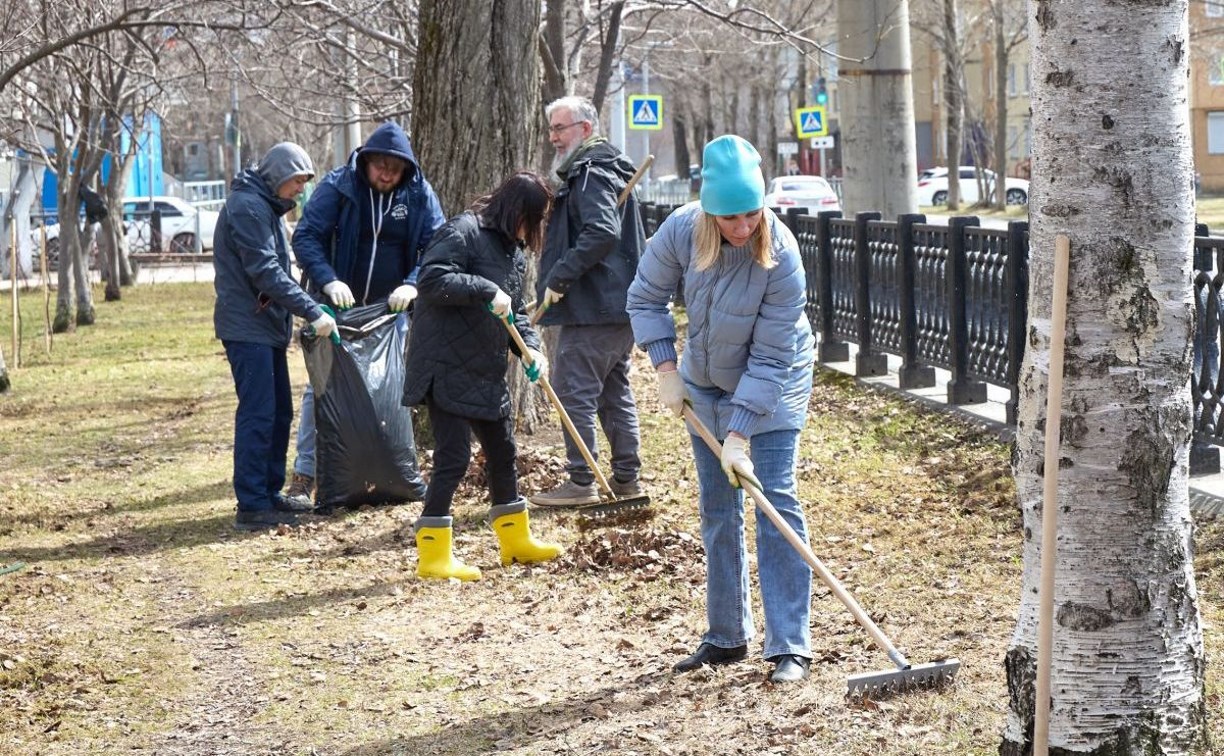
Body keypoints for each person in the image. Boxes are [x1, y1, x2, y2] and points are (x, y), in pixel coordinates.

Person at [626, 135, 816, 684]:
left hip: (774, 381)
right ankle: (726, 634)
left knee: (774, 498)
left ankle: (789, 646)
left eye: (752, 213)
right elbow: (644, 298)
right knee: (717, 504)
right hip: (704, 381)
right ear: (709, 210)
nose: (743, 227)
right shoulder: (682, 231)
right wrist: (665, 369)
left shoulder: (780, 254)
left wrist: (740, 435)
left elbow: (773, 353)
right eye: (730, 217)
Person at [402, 172, 563, 581]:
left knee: (504, 453)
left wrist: (533, 351)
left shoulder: (514, 252)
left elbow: (516, 315)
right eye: (534, 217)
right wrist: (484, 289)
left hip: (485, 369)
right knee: (454, 458)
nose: (536, 228)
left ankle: (515, 543)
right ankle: (433, 557)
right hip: (445, 365)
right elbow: (433, 279)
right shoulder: (464, 231)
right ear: (517, 211)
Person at [288, 121, 446, 506]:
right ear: (366, 162)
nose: (387, 175)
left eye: (395, 169)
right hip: (338, 309)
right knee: (321, 388)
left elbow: (437, 245)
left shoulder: (418, 194)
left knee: (388, 387)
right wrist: (327, 280)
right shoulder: (339, 187)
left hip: (390, 313)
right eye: (380, 167)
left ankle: (385, 470)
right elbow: (306, 236)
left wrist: (413, 282)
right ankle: (305, 474)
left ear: (406, 168)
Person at [213, 143, 335, 532]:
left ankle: (268, 493)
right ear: (279, 175)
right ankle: (251, 503)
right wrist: (311, 309)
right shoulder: (248, 207)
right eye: (297, 181)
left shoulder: (264, 207)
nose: (300, 189)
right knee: (259, 413)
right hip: (247, 328)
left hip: (264, 327)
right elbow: (265, 271)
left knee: (279, 410)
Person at [531, 95, 645, 508]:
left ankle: (582, 481)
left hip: (596, 306)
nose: (553, 138)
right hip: (614, 305)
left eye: (560, 128)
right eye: (552, 130)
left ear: (585, 128)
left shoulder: (592, 172)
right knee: (613, 391)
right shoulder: (600, 170)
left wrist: (560, 275)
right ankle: (627, 478)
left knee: (571, 390)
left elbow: (601, 232)